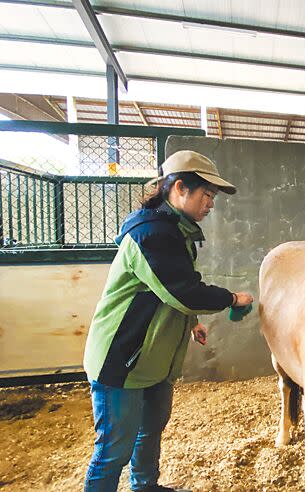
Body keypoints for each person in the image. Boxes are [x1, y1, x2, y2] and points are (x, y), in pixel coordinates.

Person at [82, 150, 254, 492]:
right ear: (178, 189)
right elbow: (183, 290)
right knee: (113, 450)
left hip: (151, 359)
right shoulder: (152, 234)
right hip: (122, 359)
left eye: (213, 197)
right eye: (206, 194)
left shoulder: (175, 231)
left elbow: (165, 288)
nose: (211, 204)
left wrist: (190, 322)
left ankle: (145, 486)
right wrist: (232, 299)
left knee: (150, 428)